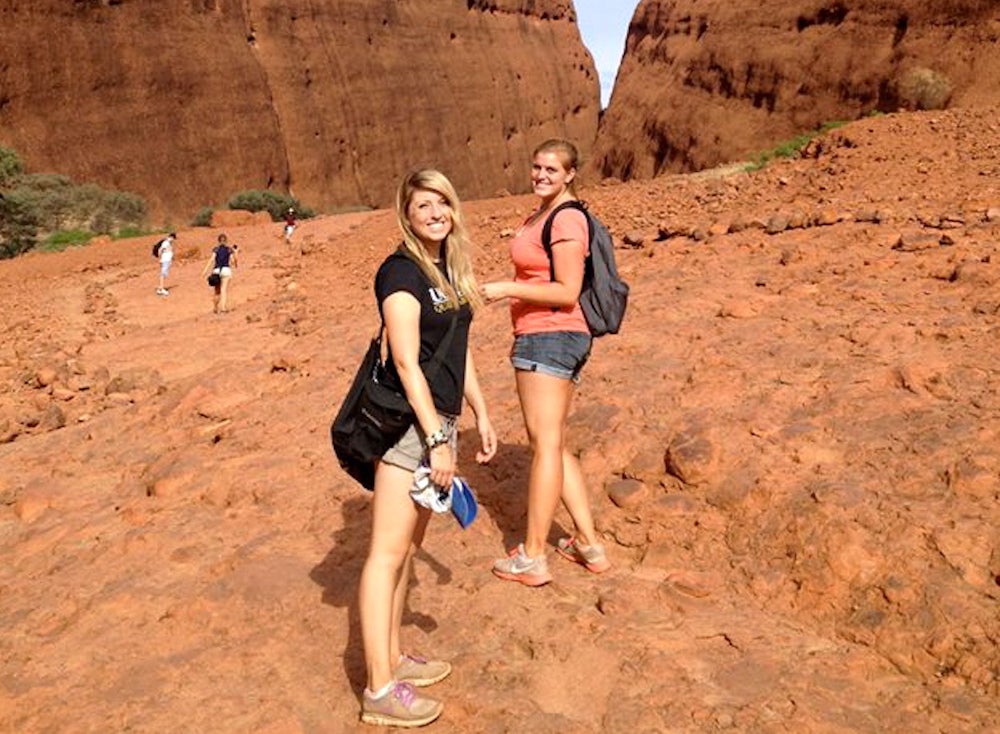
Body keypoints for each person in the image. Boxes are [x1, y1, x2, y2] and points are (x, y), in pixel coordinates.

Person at [357, 169, 497, 727]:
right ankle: (378, 689)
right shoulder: (400, 273)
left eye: (443, 202)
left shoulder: (444, 269)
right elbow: (409, 362)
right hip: (409, 428)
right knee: (385, 555)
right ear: (407, 215)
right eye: (424, 205)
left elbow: (455, 354)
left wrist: (481, 412)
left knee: (408, 551)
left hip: (439, 419)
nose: (436, 212)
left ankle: (392, 658)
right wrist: (437, 440)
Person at [482, 139, 610, 587]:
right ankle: (589, 544)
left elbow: (566, 290)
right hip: (544, 336)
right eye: (537, 167)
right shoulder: (542, 213)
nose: (541, 175)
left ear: (570, 174)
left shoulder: (568, 218)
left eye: (552, 169)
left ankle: (533, 556)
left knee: (545, 445)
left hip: (550, 336)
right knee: (553, 444)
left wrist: (505, 289)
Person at [201, 233, 238, 313]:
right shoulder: (229, 250)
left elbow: (212, 260)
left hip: (216, 271)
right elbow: (233, 262)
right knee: (223, 290)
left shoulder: (216, 249)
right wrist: (236, 253)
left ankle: (215, 307)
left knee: (217, 291)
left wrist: (205, 270)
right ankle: (223, 308)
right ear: (226, 241)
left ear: (218, 241)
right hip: (226, 270)